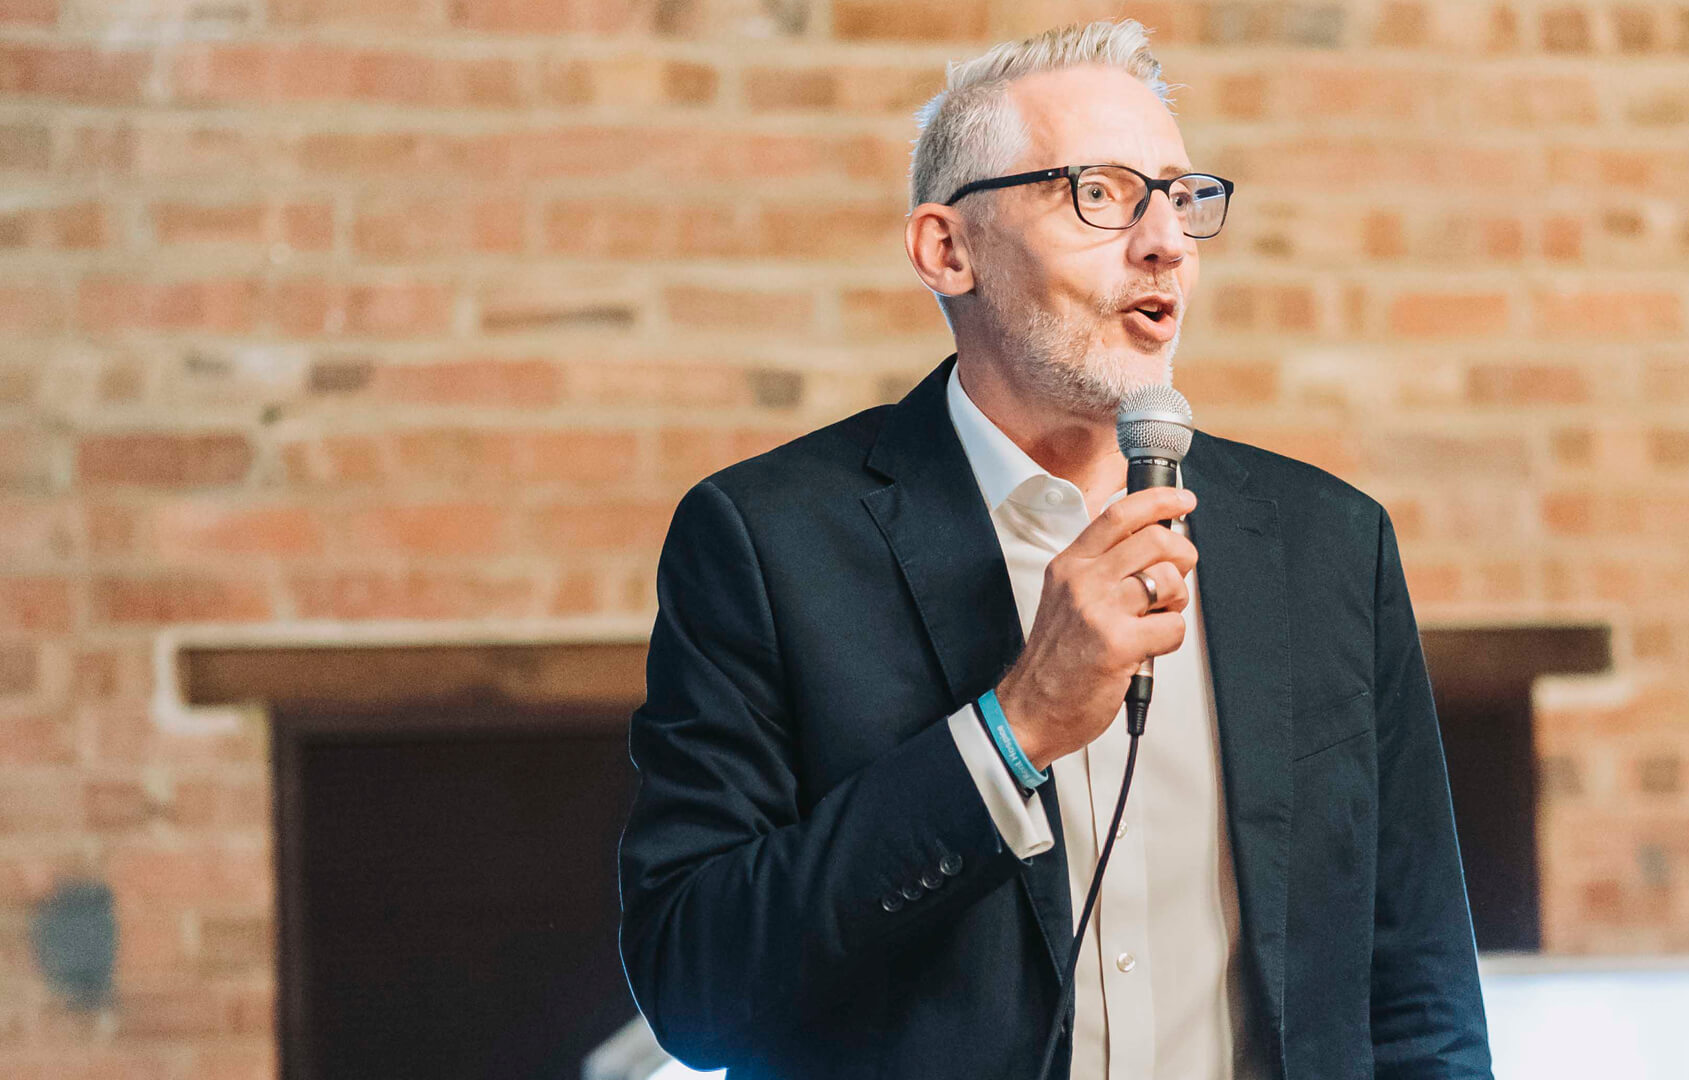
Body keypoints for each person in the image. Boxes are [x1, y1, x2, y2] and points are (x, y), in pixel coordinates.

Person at [617, 20, 1492, 1080]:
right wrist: (1014, 728)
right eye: (1103, 192)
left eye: (1181, 196)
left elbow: (1420, 1000)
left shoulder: (1327, 545)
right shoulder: (766, 544)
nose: (1165, 239)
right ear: (950, 250)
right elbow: (696, 988)